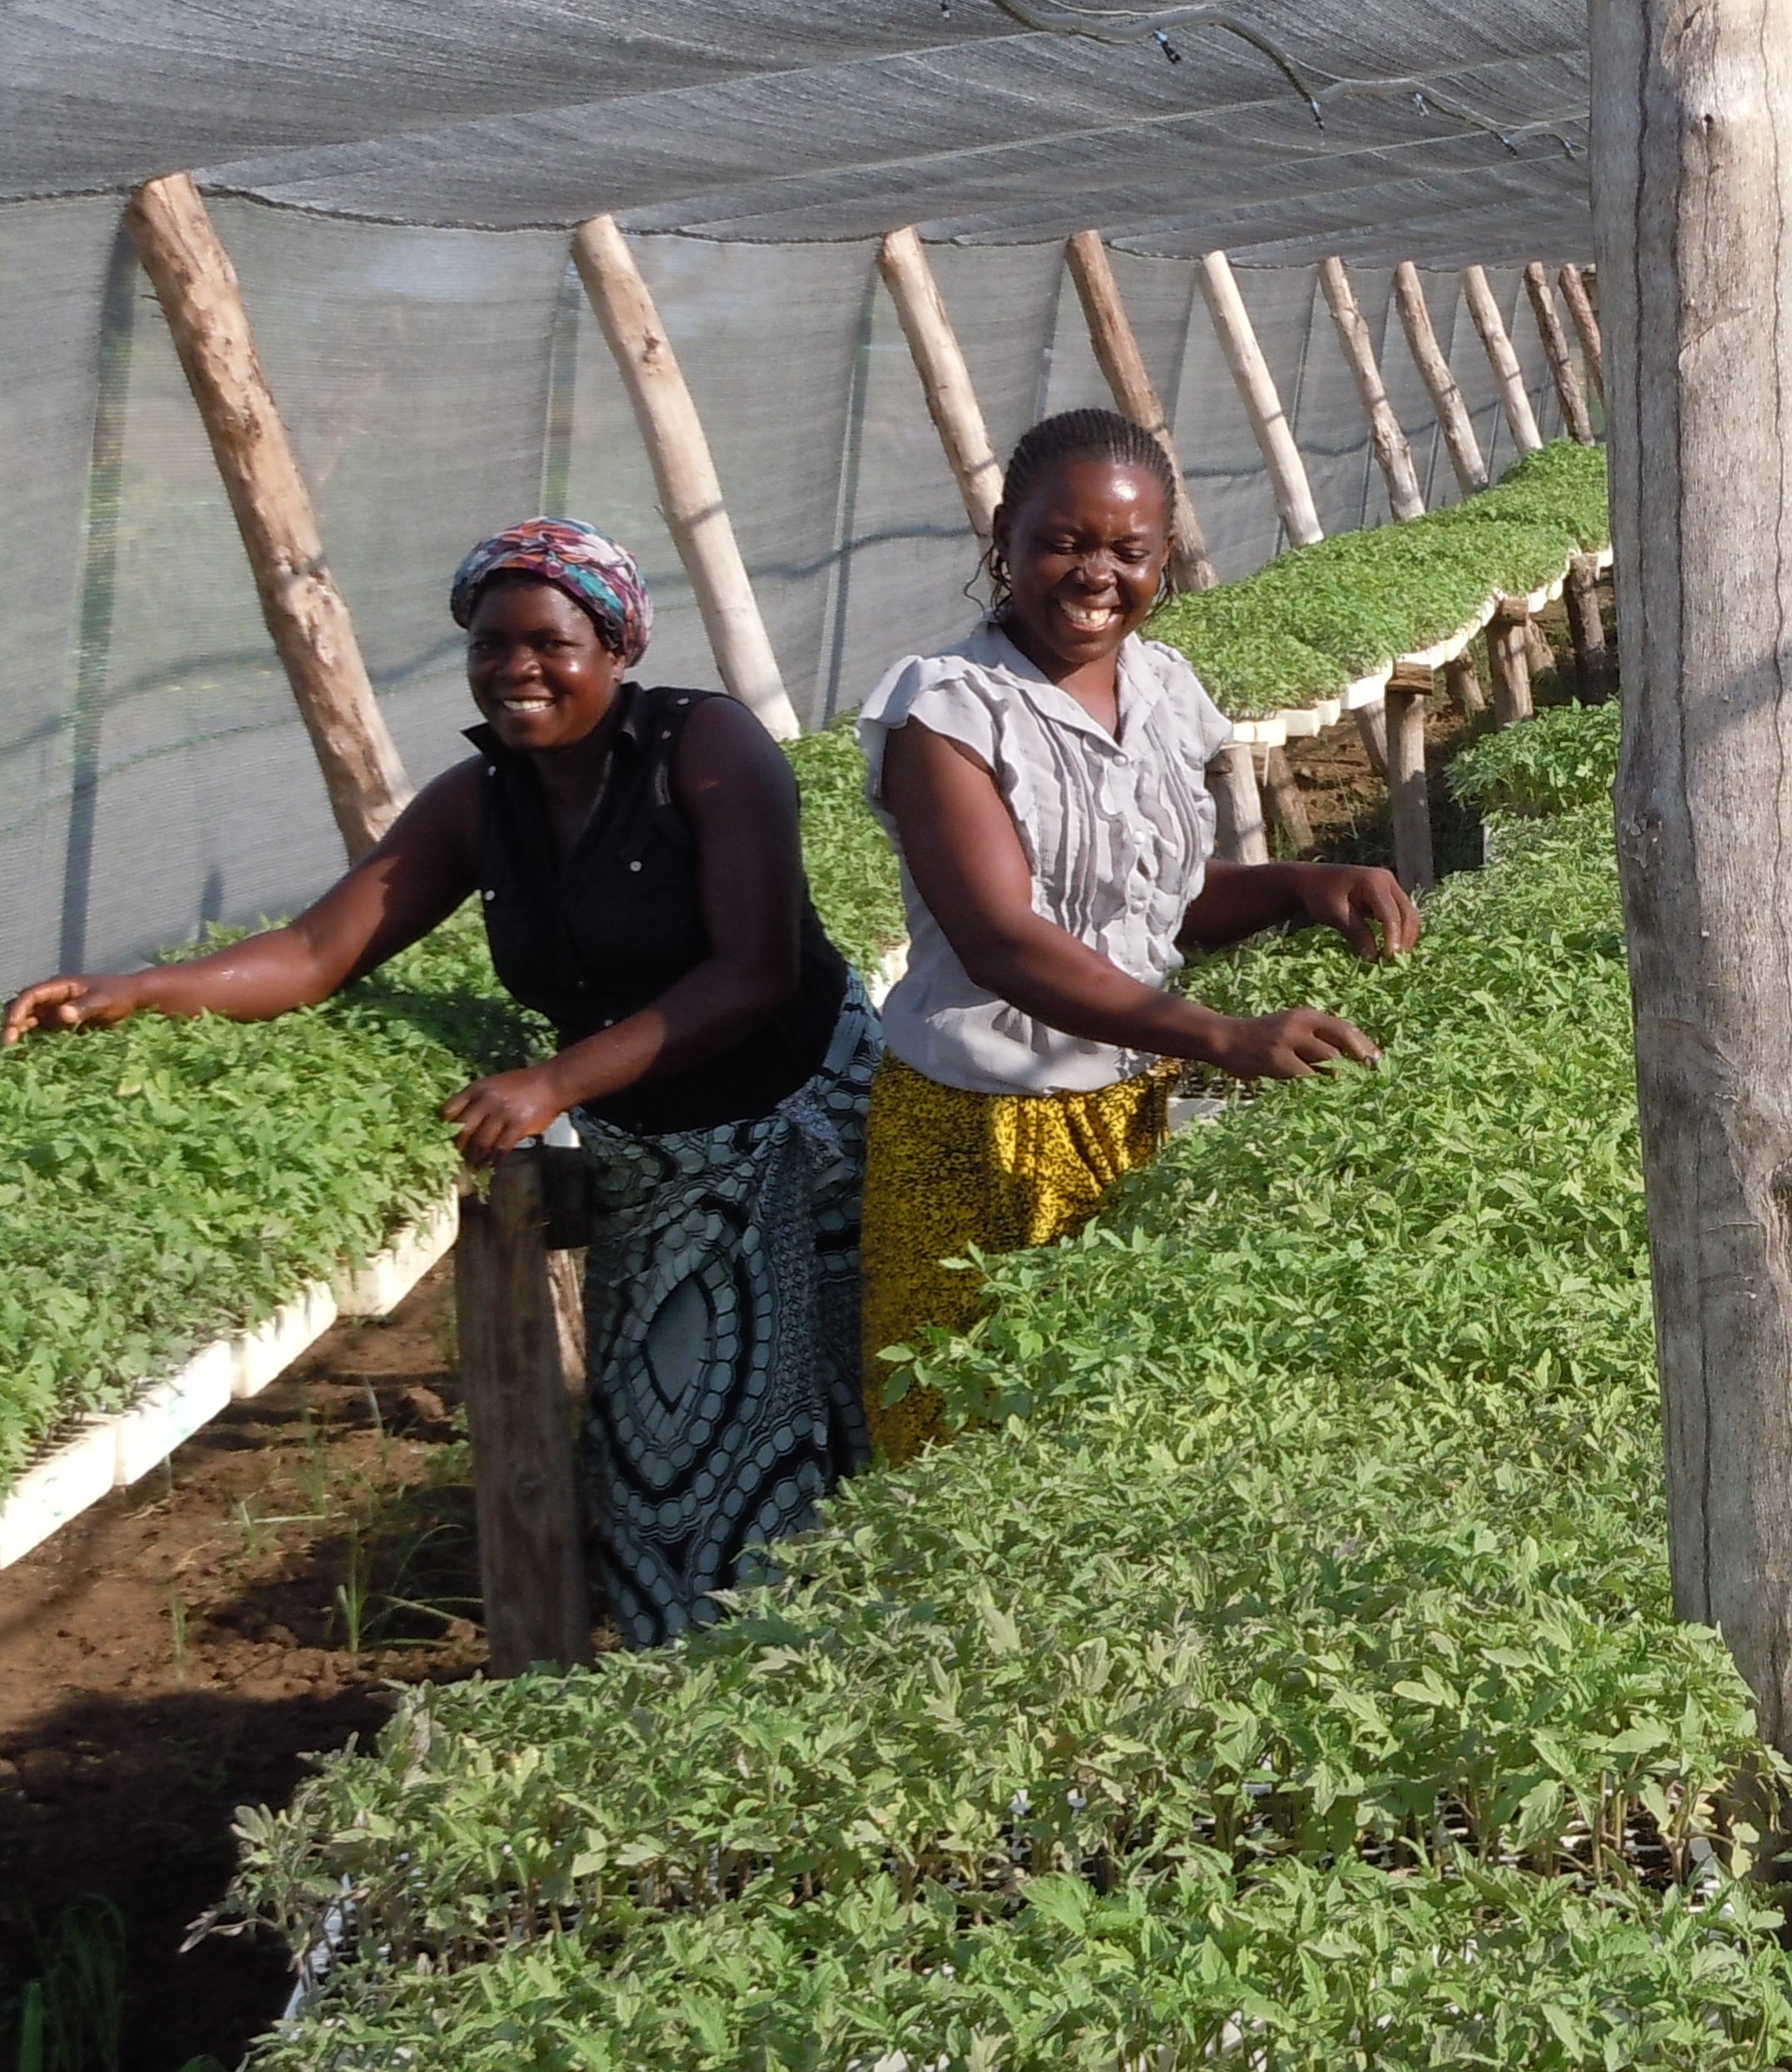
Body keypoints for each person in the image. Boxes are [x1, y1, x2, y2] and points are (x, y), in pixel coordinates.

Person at [5, 520, 877, 1644]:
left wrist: (553, 1081)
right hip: (661, 1166)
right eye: (489, 645)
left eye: (550, 642)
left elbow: (753, 972)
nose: (516, 668)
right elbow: (319, 948)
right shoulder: (481, 800)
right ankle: (719, 1678)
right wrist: (138, 987)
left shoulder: (705, 746)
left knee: (839, 1417)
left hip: (804, 1132)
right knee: (673, 1455)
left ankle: (844, 1660)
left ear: (616, 646)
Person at [857, 408, 1419, 1463]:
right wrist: (1221, 1035)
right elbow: (1003, 941)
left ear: (1164, 556)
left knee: (1116, 1435)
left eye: (1128, 550)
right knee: (971, 1445)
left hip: (1131, 1108)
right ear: (1005, 540)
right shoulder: (948, 713)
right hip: (981, 1133)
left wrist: (1300, 884)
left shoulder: (1160, 688)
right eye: (1064, 542)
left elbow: (1150, 900)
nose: (1096, 575)